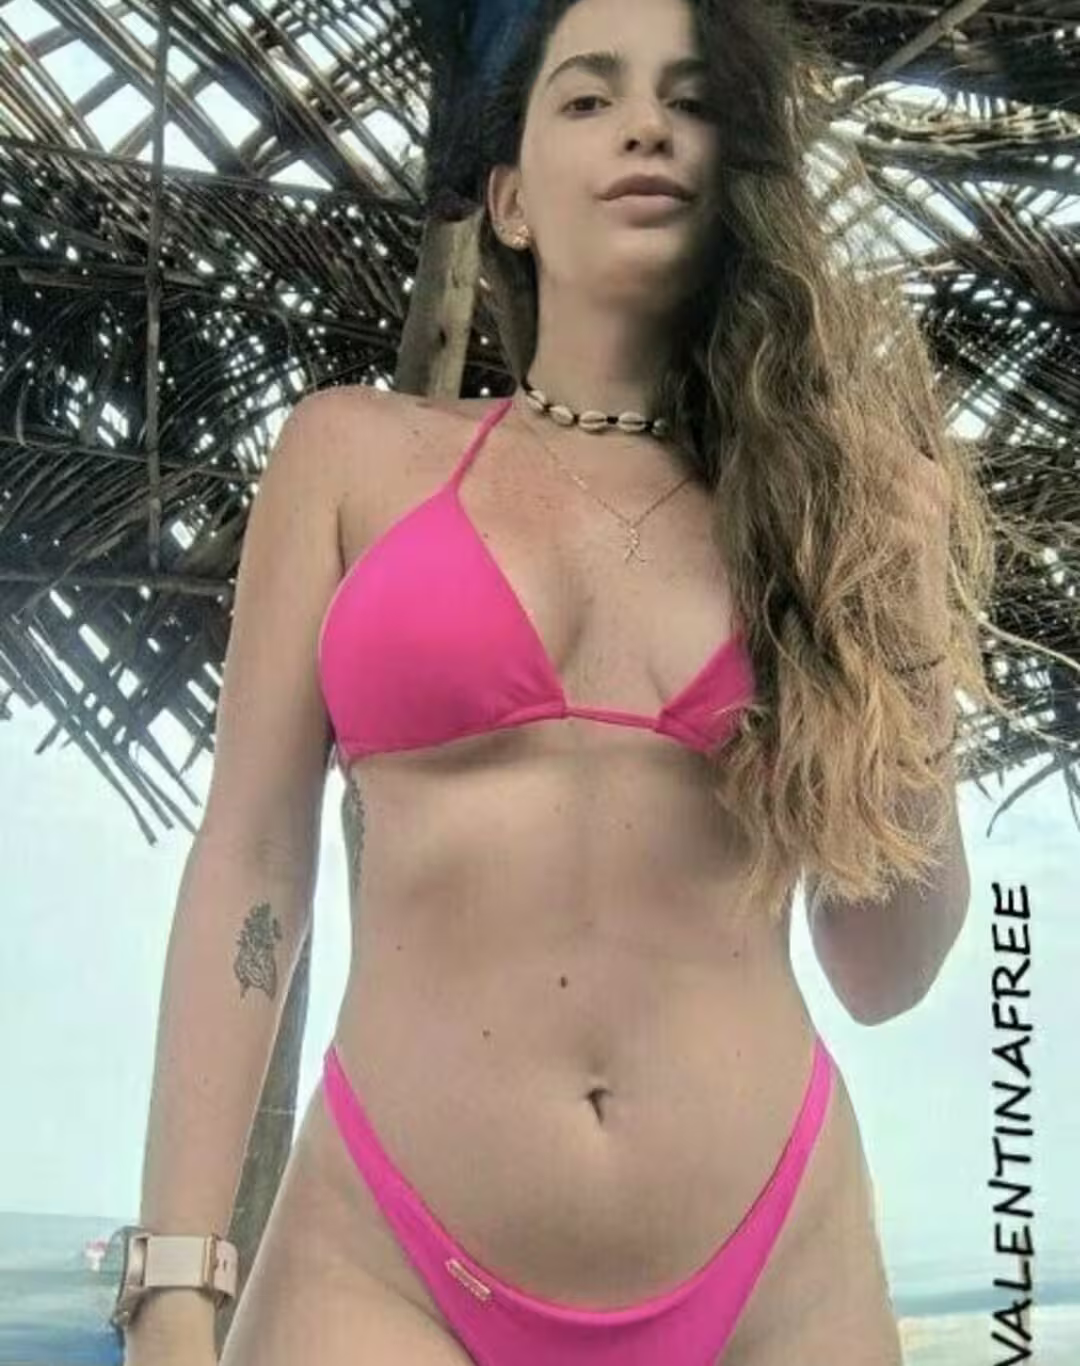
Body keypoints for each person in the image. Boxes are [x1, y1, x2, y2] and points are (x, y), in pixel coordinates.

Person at [125, 0, 1003, 1363]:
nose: (646, 124)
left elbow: (883, 967)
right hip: (384, 1269)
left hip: (778, 1273)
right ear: (511, 200)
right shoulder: (351, 457)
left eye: (689, 100)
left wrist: (904, 631)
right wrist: (176, 1277)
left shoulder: (833, 515)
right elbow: (253, 857)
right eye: (590, 98)